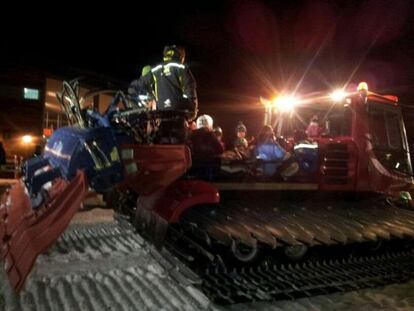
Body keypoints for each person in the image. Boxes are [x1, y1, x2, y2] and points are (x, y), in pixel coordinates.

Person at [128, 45, 198, 143]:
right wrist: (192, 112)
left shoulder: (156, 69)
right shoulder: (182, 69)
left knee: (163, 147)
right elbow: (190, 90)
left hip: (161, 116)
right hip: (179, 116)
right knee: (178, 149)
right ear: (181, 56)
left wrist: (137, 105)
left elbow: (134, 87)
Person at [187, 114, 224, 180]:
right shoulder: (210, 135)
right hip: (207, 170)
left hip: (192, 169)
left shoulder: (191, 135)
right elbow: (220, 150)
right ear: (210, 125)